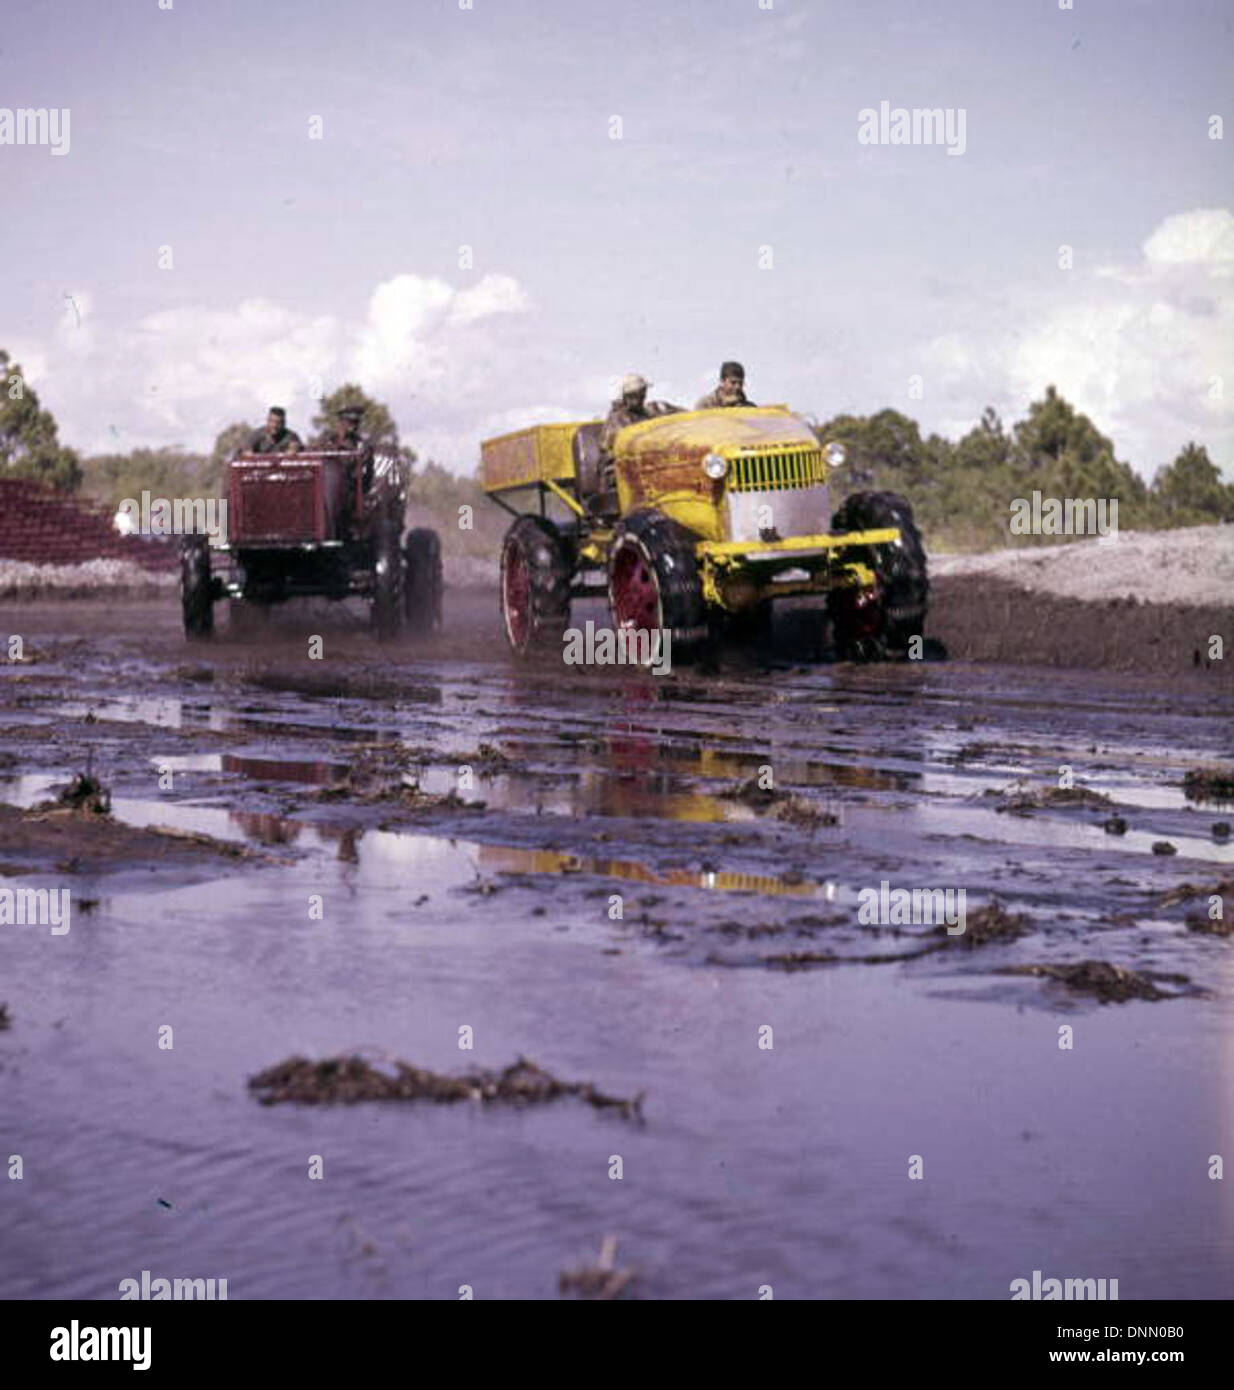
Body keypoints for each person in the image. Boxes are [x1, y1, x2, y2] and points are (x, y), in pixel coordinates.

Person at [601, 374, 682, 454]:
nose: (643, 396)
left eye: (643, 393)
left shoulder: (649, 412)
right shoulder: (617, 419)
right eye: (641, 393)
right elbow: (621, 445)